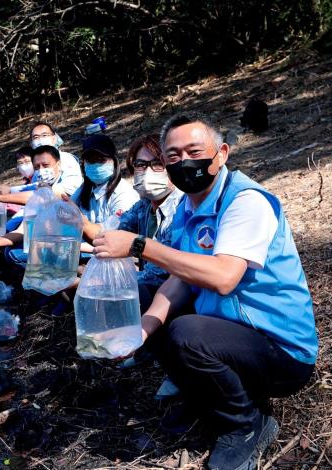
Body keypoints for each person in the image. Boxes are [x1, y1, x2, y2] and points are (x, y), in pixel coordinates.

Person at [93, 112, 317, 470]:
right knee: (149, 297)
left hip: (279, 350)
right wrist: (146, 326)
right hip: (230, 334)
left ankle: (247, 425)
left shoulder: (246, 201)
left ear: (222, 153)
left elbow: (225, 277)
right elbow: (180, 276)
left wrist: (139, 246)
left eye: (194, 151)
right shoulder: (187, 205)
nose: (185, 162)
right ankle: (206, 398)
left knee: (187, 332)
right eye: (174, 156)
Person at [81, 134, 183, 311]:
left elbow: (158, 275)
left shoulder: (181, 208)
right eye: (140, 165)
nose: (147, 172)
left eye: (158, 164)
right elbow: (112, 232)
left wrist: (96, 282)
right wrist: (79, 222)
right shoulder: (143, 206)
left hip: (172, 297)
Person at [0, 122, 83, 206]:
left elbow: (48, 196)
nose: (40, 140)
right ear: (31, 143)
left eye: (44, 135)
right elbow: (34, 190)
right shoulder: (37, 170)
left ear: (54, 138)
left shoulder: (67, 160)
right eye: (36, 137)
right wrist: (9, 190)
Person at [71, 133, 139, 255]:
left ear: (114, 161)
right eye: (90, 161)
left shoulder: (123, 193)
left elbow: (117, 239)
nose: (96, 165)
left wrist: (77, 243)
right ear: (84, 164)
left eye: (101, 160)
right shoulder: (84, 189)